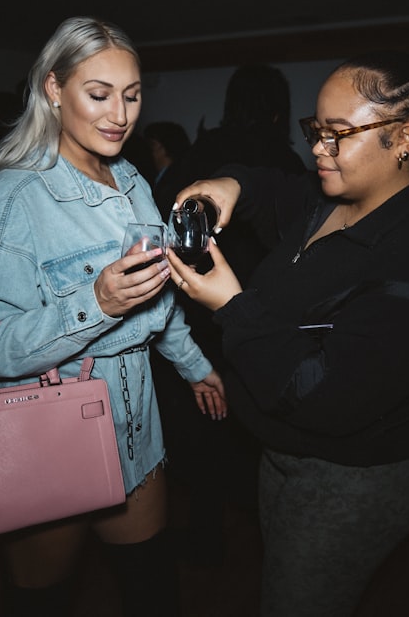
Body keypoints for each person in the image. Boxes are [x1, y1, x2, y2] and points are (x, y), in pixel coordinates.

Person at [164, 51, 409, 616]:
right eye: (315, 130)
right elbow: (273, 189)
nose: (317, 149)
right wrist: (229, 184)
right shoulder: (328, 198)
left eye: (338, 134)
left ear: (403, 139)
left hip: (351, 479)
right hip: (281, 452)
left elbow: (326, 396)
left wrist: (232, 307)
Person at [0, 16, 226, 617]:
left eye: (131, 96)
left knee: (153, 588)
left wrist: (194, 365)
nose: (120, 114)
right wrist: (94, 303)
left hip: (136, 425)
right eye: (98, 94)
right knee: (40, 601)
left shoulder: (131, 180)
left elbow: (158, 294)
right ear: (54, 89)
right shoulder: (8, 204)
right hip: (50, 433)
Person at [152, 65, 308, 565]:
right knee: (251, 422)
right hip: (260, 309)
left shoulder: (201, 154)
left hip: (195, 308)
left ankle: (206, 532)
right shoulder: (287, 162)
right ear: (279, 110)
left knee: (203, 424)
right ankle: (260, 532)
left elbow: (165, 211)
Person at [143, 120, 191, 214]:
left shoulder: (177, 182)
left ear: (166, 145)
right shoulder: (152, 177)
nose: (149, 149)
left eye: (152, 144)